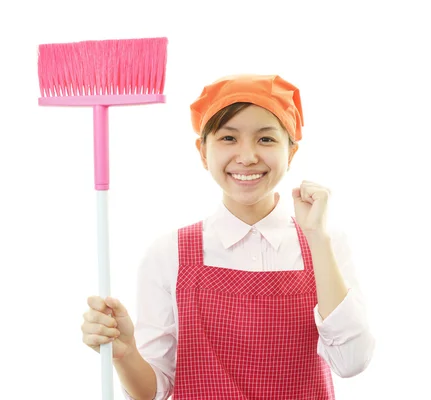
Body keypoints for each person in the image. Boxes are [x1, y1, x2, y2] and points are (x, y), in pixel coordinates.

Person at [81, 74, 375, 400]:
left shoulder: (325, 244)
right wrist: (125, 355)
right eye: (228, 138)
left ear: (291, 152)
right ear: (203, 151)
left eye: (265, 139)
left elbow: (351, 362)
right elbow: (153, 391)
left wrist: (317, 238)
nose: (247, 156)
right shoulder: (168, 254)